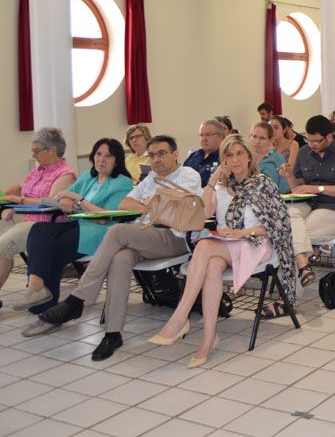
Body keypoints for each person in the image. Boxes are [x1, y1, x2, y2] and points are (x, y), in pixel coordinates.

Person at [25, 135, 202, 360]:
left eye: (162, 153)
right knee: (120, 259)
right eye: (153, 155)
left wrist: (151, 206)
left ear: (175, 154)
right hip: (142, 236)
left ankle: (78, 299)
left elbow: (175, 211)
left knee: (117, 231)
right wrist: (152, 205)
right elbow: (124, 204)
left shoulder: (188, 175)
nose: (156, 159)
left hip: (172, 237)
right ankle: (112, 333)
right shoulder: (150, 179)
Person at [149, 134, 296, 367]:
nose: (235, 159)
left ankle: (180, 317)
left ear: (249, 156)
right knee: (212, 266)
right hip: (226, 246)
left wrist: (240, 233)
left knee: (205, 245)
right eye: (229, 155)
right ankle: (208, 338)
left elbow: (277, 225)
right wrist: (211, 181)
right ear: (224, 159)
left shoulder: (262, 183)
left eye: (239, 153)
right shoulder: (220, 187)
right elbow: (204, 214)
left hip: (255, 243)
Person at [14, 139, 132, 314]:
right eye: (99, 154)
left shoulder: (123, 182)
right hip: (75, 223)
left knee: (52, 249)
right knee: (39, 229)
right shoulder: (87, 176)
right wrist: (66, 198)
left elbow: (104, 217)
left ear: (117, 160)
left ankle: (44, 303)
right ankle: (36, 290)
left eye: (109, 155)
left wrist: (78, 199)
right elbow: (64, 196)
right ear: (93, 157)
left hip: (99, 231)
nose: (102, 159)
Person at [0, 128, 76, 308]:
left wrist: (18, 200)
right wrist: (3, 195)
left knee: (3, 247)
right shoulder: (38, 171)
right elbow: (20, 186)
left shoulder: (65, 175)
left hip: (45, 226)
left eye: (37, 150)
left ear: (52, 150)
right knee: (4, 247)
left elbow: (51, 203)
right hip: (28, 221)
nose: (33, 154)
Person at [285, 115, 335, 286]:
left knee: (292, 235)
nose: (311, 145)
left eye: (316, 141)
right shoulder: (305, 152)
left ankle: (289, 293)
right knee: (288, 214)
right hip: (309, 204)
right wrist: (289, 176)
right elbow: (299, 185)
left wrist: (318, 189)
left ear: (329, 136)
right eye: (308, 140)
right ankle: (303, 266)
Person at [249, 122, 290, 193]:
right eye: (254, 136)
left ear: (270, 140)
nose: (257, 141)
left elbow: (285, 189)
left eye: (262, 138)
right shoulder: (244, 157)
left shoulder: (278, 159)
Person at [183, 119, 225, 187]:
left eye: (208, 135)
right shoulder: (194, 156)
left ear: (221, 136)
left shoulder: (225, 158)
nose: (204, 139)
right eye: (201, 135)